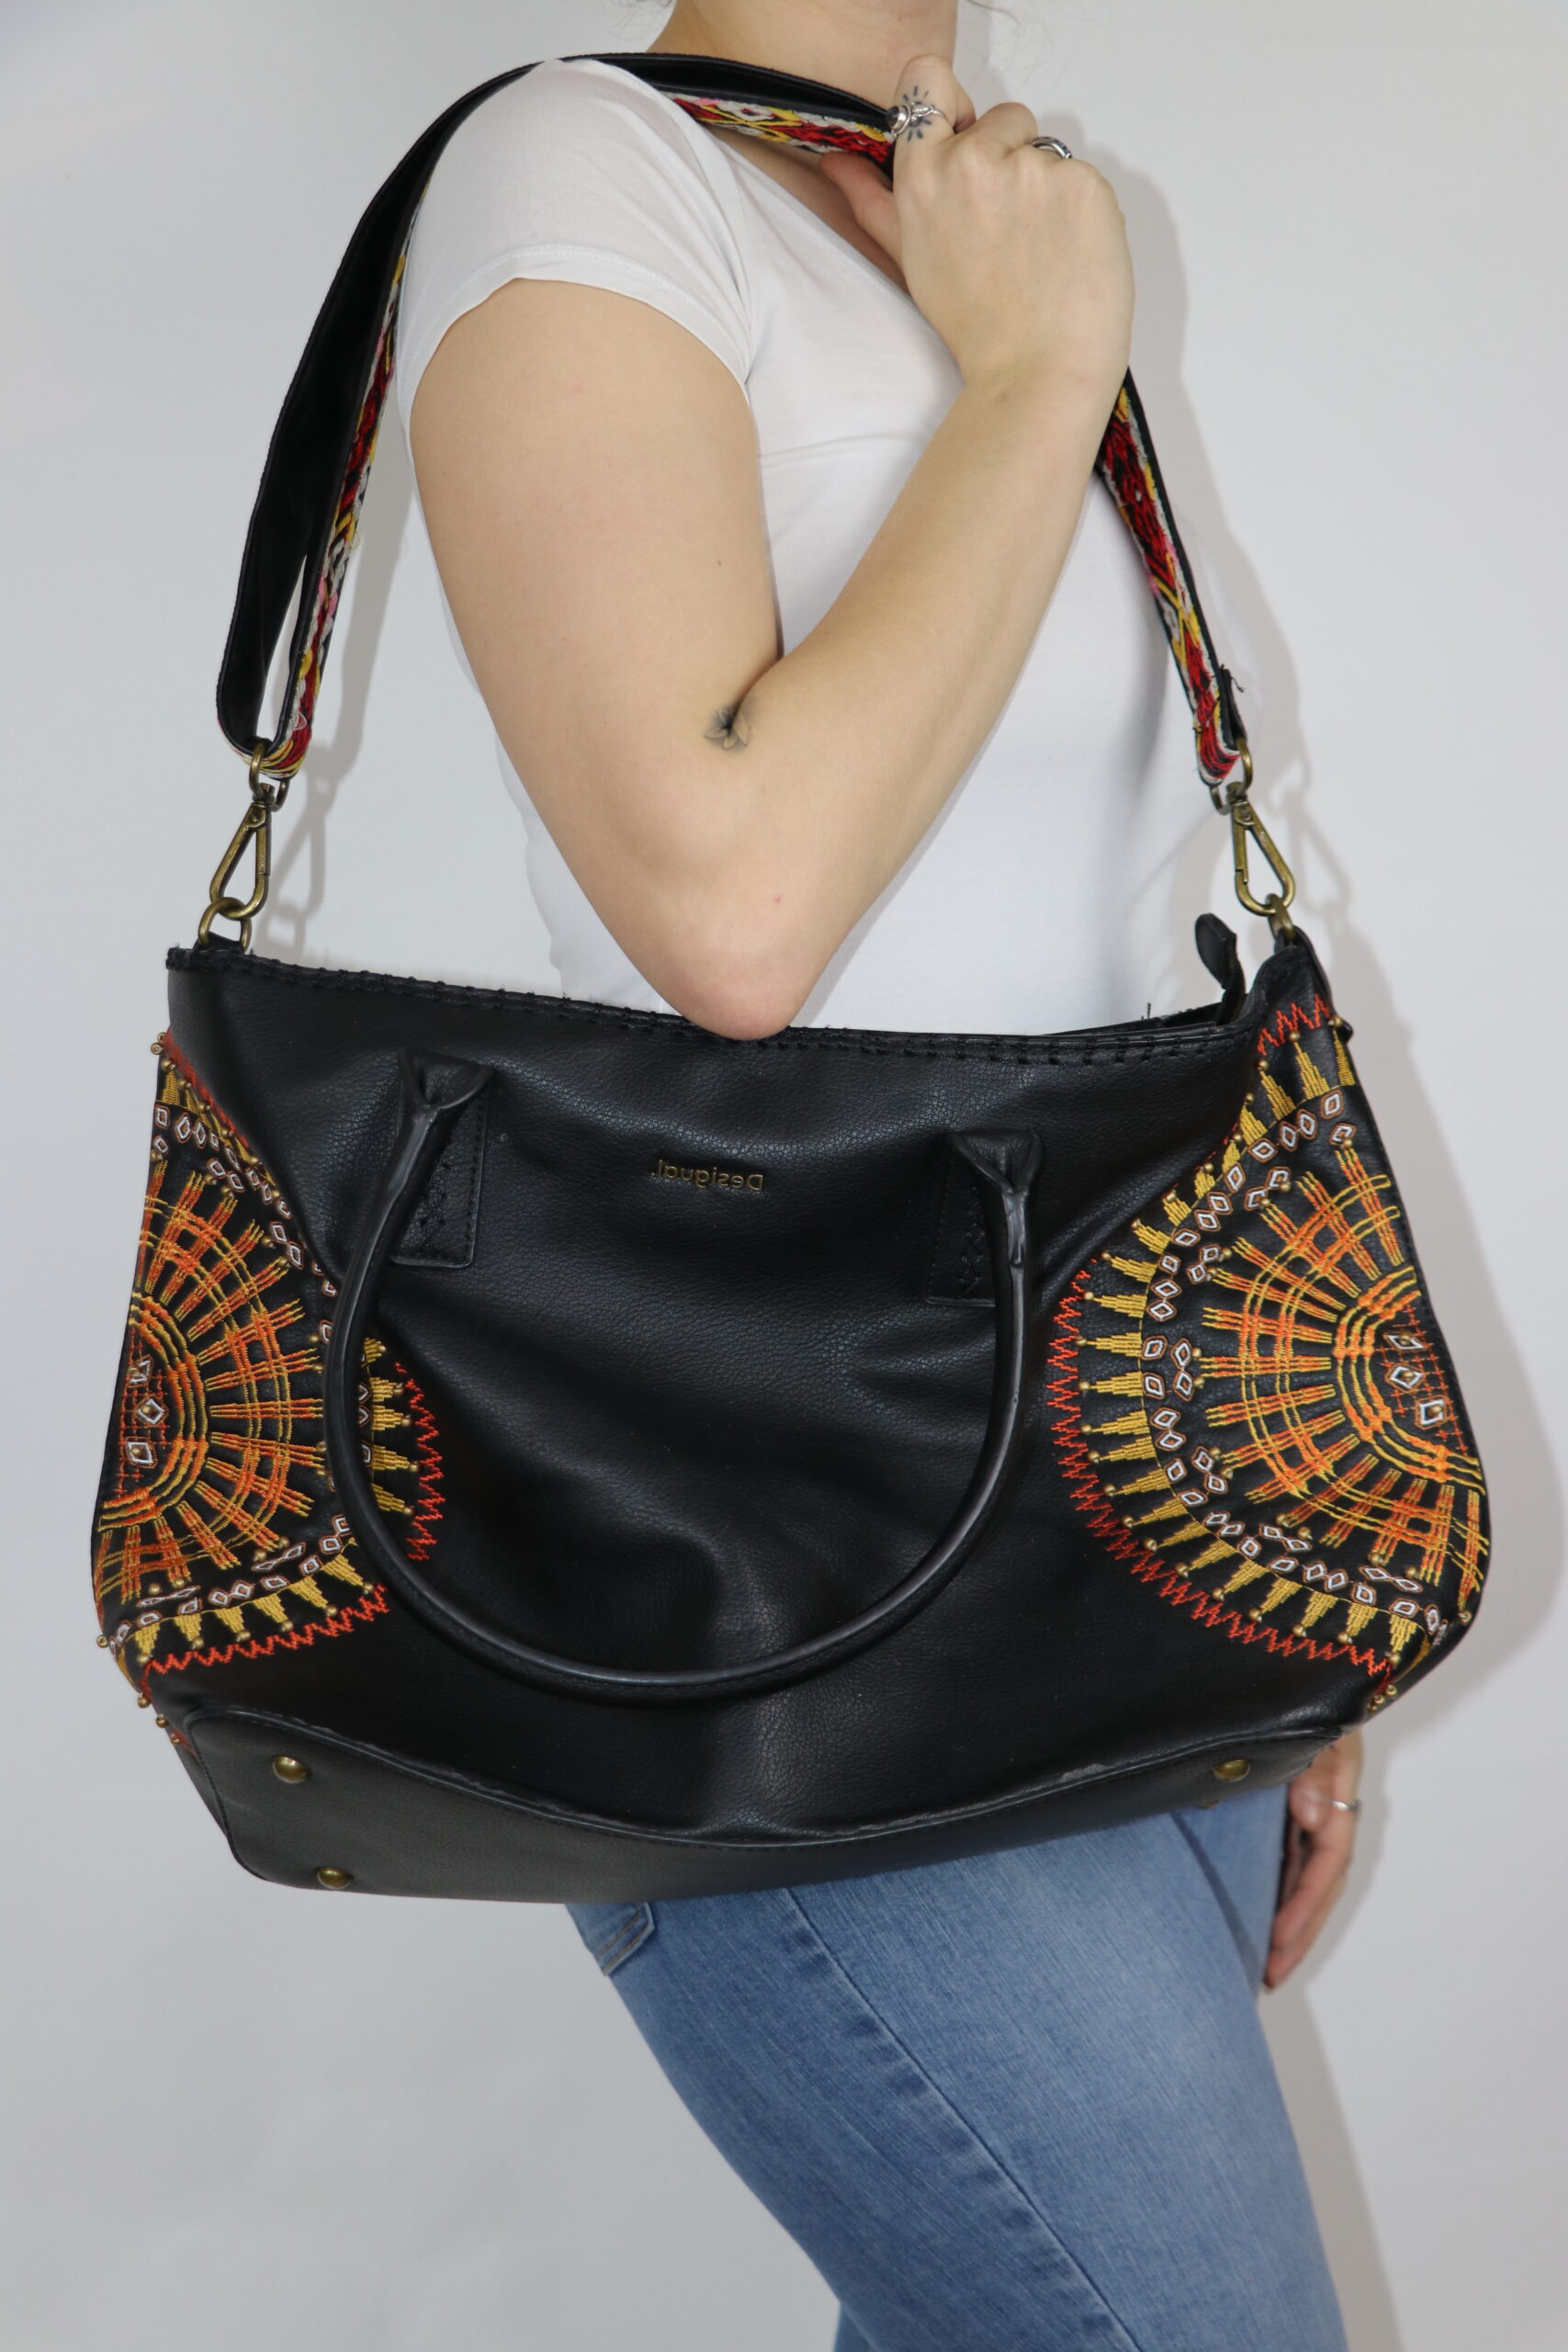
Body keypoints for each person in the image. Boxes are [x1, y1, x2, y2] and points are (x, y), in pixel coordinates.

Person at [398, 4, 1363, 2343]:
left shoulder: (989, 209)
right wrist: (1030, 378)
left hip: (1135, 1528)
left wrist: (1277, 1572)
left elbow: (1123, 956)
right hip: (787, 1601)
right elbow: (730, 912)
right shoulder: (583, 170)